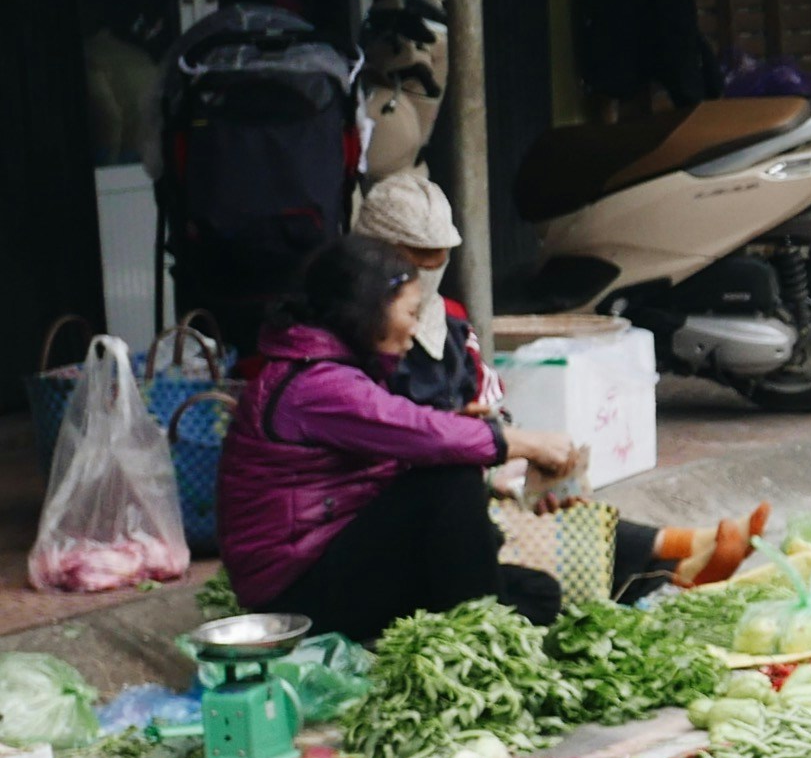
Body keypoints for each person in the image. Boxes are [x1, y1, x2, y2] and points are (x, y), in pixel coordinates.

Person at [218, 232, 580, 638]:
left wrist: (473, 435)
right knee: (451, 479)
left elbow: (406, 437)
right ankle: (479, 643)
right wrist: (523, 442)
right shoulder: (314, 383)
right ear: (370, 309)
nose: (413, 330)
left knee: (538, 594)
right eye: (410, 313)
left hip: (337, 559)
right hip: (294, 592)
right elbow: (429, 436)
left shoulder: (332, 368)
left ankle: (471, 630)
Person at [347, 169, 490, 417]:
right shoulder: (340, 324)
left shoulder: (453, 320)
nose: (432, 265)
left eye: (440, 253)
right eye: (419, 252)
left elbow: (480, 395)